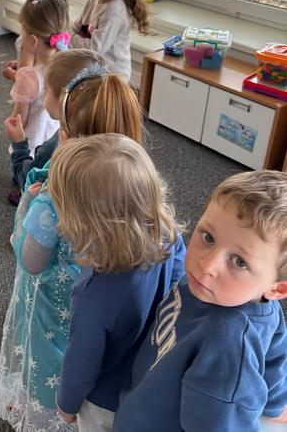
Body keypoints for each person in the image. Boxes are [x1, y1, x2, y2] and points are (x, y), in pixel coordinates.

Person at [0, 64, 146, 431]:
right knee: (84, 355)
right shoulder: (137, 185)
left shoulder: (53, 197)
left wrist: (26, 207)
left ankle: (48, 411)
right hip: (101, 304)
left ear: (66, 136)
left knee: (49, 360)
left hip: (52, 304)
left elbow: (31, 260)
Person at [114, 170, 287, 432]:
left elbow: (273, 355)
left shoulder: (228, 342)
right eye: (208, 238)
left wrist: (276, 403)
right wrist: (277, 405)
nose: (207, 265)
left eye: (239, 262)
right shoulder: (210, 292)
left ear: (277, 288)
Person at [50, 134, 185, 431]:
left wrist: (67, 404)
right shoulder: (167, 235)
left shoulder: (93, 293)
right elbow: (179, 281)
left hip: (105, 399)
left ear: (83, 220)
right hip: (154, 375)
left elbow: (81, 364)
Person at [5, 49, 107, 200]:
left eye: (45, 90)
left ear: (62, 99)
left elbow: (28, 181)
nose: (44, 94)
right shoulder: (104, 133)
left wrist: (19, 144)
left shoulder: (54, 148)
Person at [69, 0, 149, 81]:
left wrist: (68, 38)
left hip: (113, 79)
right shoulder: (92, 2)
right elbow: (75, 28)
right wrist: (68, 35)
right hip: (95, 72)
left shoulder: (114, 11)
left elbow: (95, 48)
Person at [8, 0, 70, 159]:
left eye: (22, 33)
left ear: (33, 41)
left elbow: (19, 121)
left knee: (26, 173)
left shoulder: (28, 77)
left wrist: (11, 126)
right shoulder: (68, 67)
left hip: (31, 146)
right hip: (57, 141)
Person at [2, 0, 68, 83]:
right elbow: (40, 67)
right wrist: (19, 63)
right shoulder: (59, 38)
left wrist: (10, 74)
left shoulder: (28, 43)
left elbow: (25, 80)